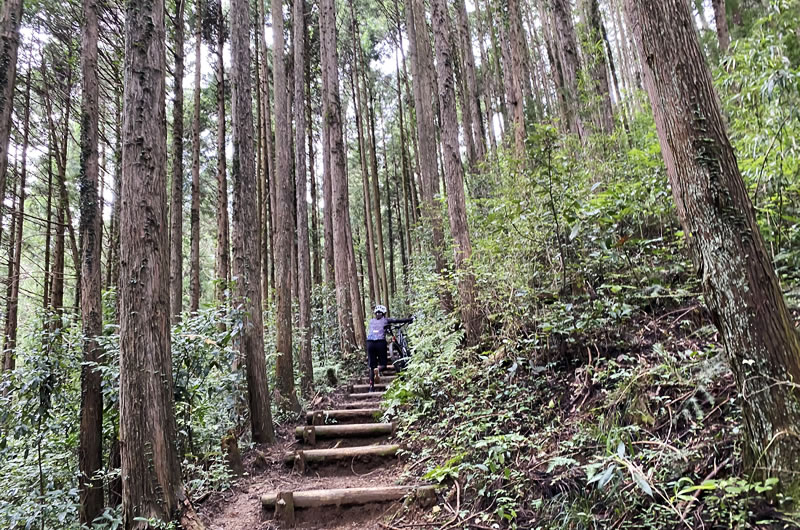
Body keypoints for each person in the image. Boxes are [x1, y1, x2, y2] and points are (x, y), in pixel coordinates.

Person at [366, 305, 413, 391]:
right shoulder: (386, 320)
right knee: (383, 365)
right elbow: (397, 320)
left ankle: (371, 387)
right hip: (380, 342)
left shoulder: (371, 321)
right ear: (384, 313)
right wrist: (410, 319)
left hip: (369, 343)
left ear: (375, 314)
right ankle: (379, 369)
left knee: (371, 367)